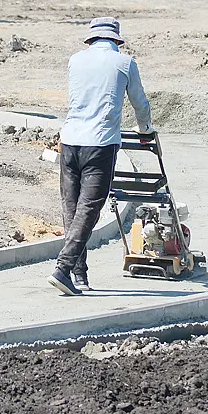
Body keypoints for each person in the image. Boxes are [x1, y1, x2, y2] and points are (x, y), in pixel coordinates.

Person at [49, 16, 153, 297]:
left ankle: (78, 275)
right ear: (116, 40)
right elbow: (140, 102)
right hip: (101, 144)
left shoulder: (75, 60)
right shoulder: (125, 63)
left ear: (92, 38)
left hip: (69, 141)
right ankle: (63, 267)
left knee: (71, 208)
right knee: (89, 209)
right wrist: (145, 130)